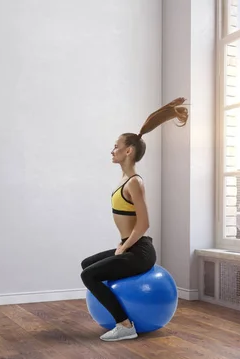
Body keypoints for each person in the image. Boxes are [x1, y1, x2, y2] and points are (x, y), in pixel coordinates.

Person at [80, 97, 189, 342]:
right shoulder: (123, 180)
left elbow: (144, 223)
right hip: (130, 247)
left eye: (116, 146)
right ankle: (123, 305)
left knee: (88, 276)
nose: (112, 149)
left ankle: (125, 324)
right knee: (87, 264)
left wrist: (124, 247)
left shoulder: (135, 182)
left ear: (128, 151)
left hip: (140, 251)